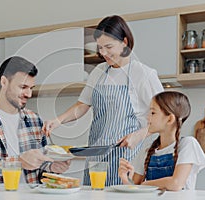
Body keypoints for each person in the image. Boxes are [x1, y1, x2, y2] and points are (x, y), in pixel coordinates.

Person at [42, 15, 164, 186]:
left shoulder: (143, 74)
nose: (104, 53)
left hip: (126, 157)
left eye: (108, 47)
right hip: (96, 157)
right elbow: (82, 105)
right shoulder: (99, 71)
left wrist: (139, 135)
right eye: (100, 48)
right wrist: (58, 120)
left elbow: (165, 116)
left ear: (124, 41)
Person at [0, 56, 70, 184]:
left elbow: (40, 170)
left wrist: (51, 168)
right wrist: (18, 162)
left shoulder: (35, 120)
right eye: (23, 87)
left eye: (31, 88)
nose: (29, 94)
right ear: (4, 82)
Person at [118, 91, 205, 191]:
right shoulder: (147, 149)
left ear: (170, 119)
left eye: (153, 113)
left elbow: (176, 183)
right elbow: (136, 188)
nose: (148, 117)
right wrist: (125, 178)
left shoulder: (187, 144)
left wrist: (145, 184)